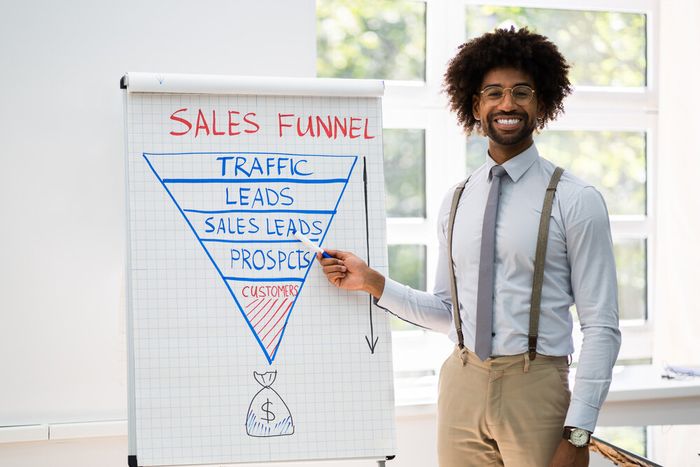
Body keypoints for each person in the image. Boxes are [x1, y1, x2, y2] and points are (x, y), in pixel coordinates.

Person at [318, 27, 621, 467]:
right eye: (493, 92)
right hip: (461, 382)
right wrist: (372, 282)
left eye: (521, 91)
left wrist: (578, 432)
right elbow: (448, 312)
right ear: (475, 105)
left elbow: (602, 327)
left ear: (541, 102)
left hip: (535, 386)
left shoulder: (577, 200)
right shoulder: (457, 200)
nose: (507, 104)